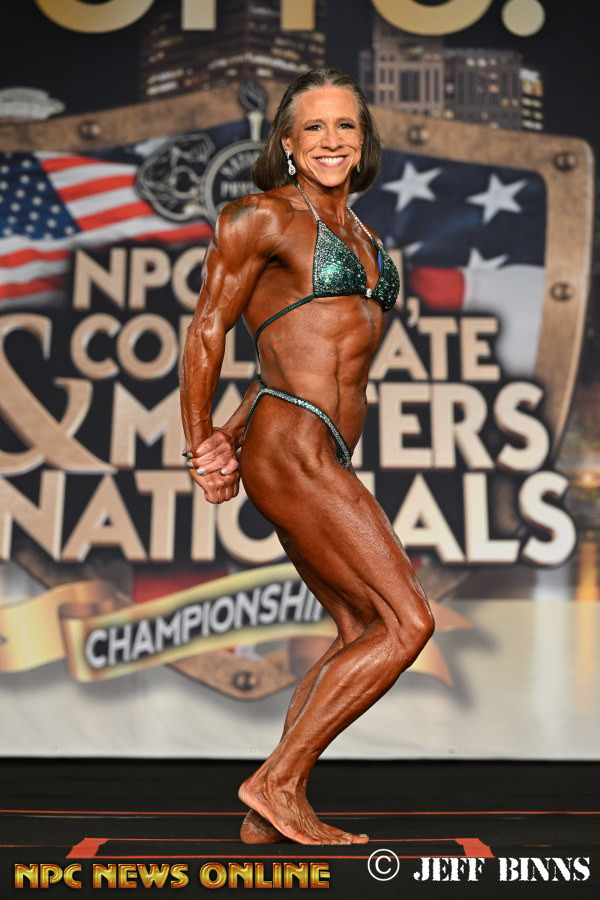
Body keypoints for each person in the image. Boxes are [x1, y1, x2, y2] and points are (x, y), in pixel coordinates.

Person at [180, 67, 434, 846]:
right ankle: (277, 783)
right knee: (407, 622)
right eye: (314, 127)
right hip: (294, 445)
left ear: (363, 142)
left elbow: (288, 358)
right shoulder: (261, 217)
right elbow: (208, 331)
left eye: (345, 126)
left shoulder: (365, 237)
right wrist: (202, 443)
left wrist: (234, 427)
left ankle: (268, 810)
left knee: (362, 626)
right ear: (287, 144)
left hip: (314, 442)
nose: (331, 140)